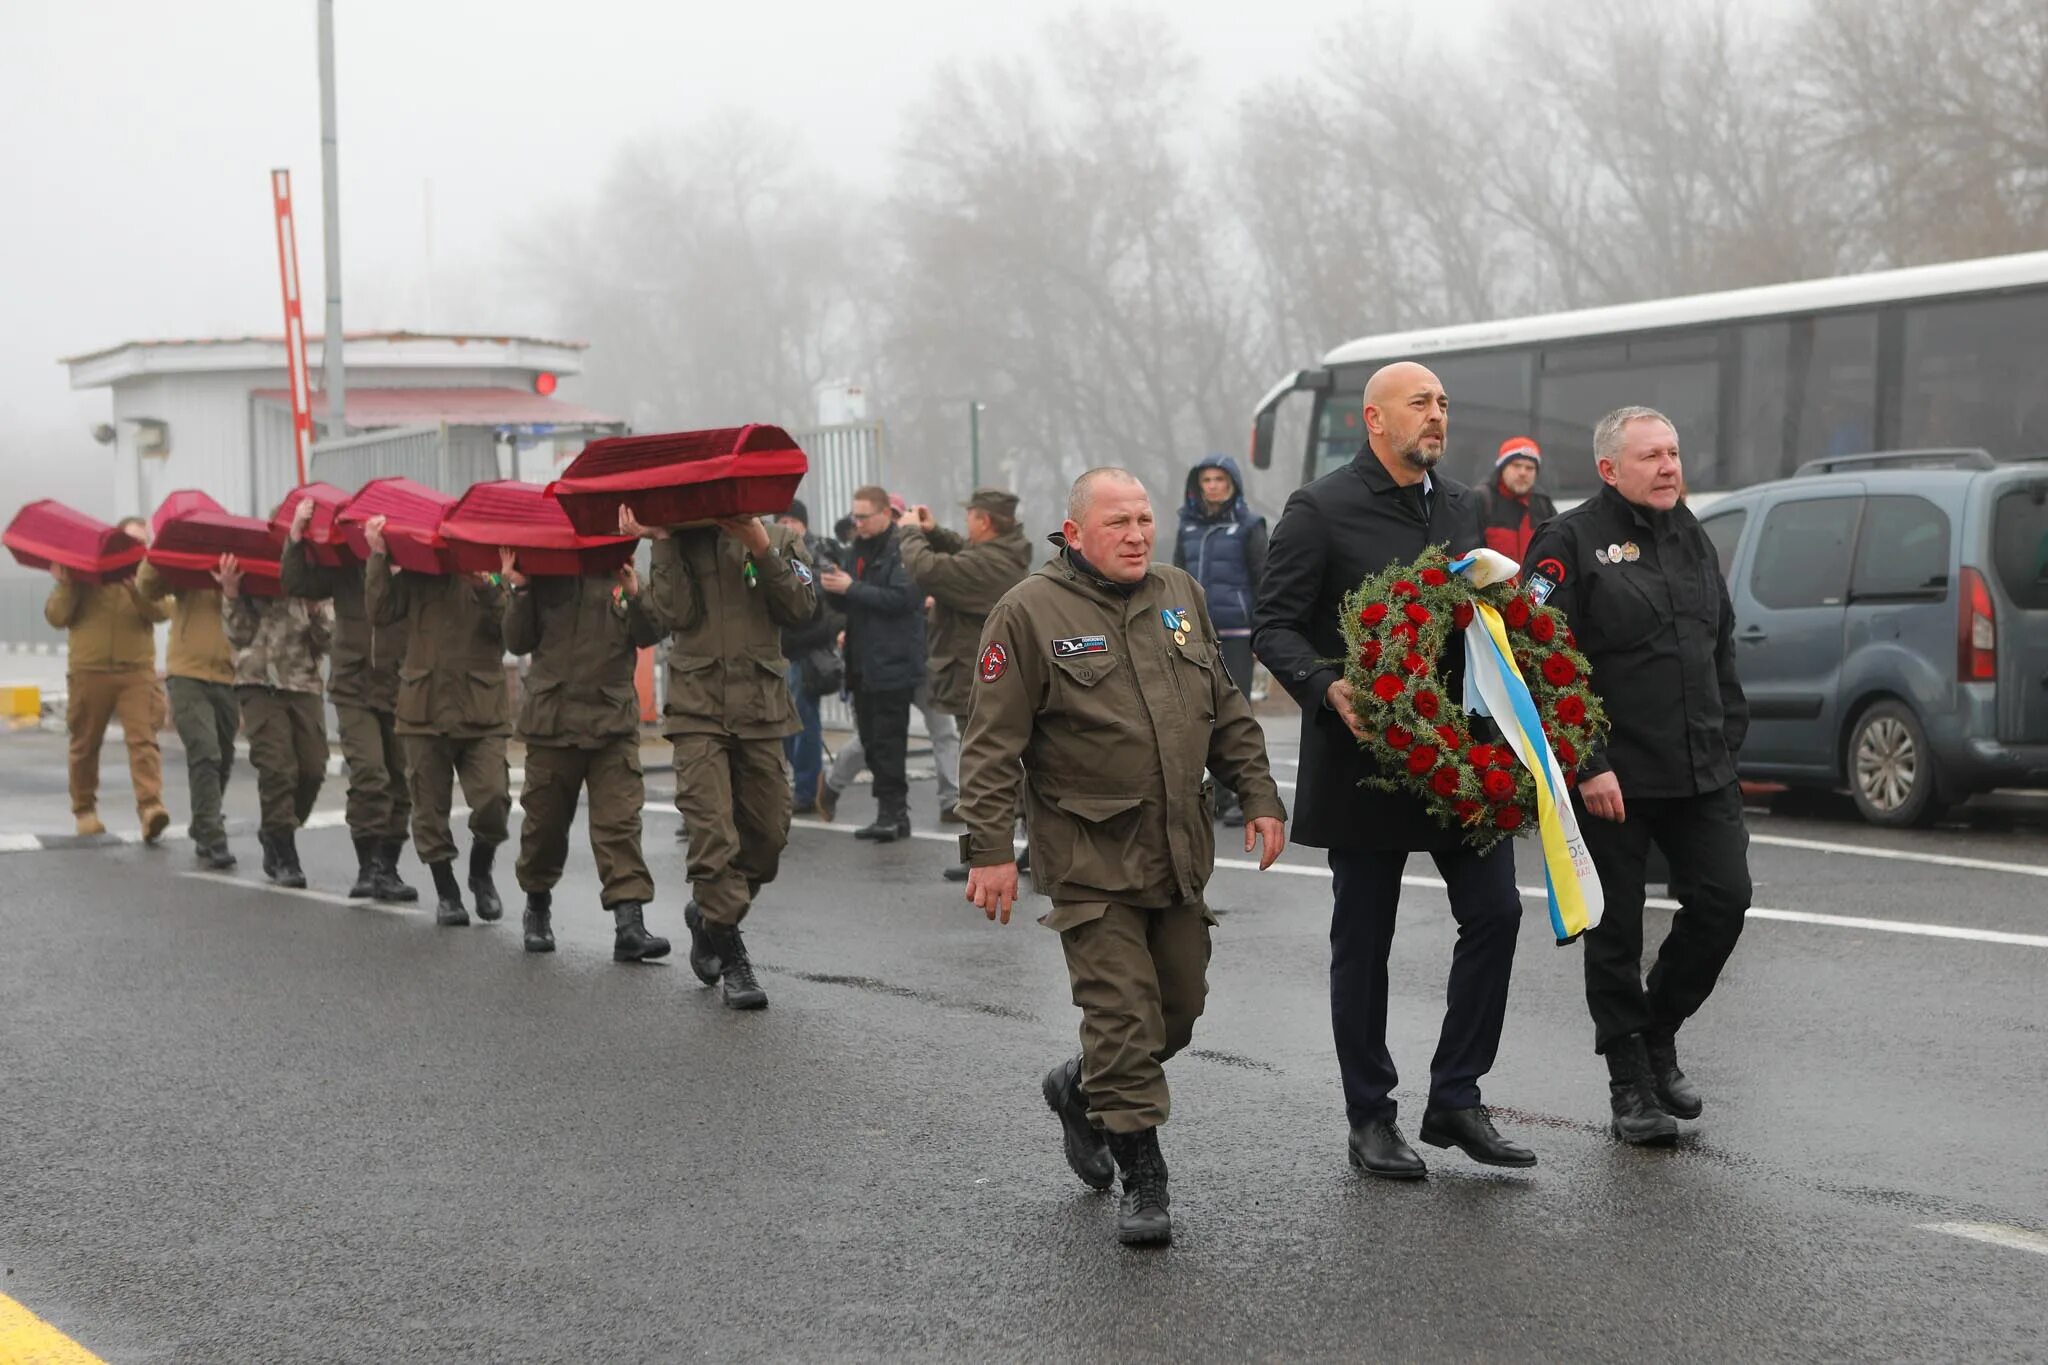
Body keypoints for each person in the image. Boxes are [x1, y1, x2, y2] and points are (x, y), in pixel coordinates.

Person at [959, 467, 1287, 1248]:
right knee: (1120, 1016)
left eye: (1144, 519)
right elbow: (992, 744)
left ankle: (1077, 1087)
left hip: (1177, 848)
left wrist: (1262, 793)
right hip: (1087, 856)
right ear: (1074, 533)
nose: (1138, 535)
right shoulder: (1028, 613)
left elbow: (1226, 705)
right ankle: (1144, 1172)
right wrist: (990, 849)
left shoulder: (1179, 590)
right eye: (1119, 523)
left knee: (1176, 1011)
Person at [1254, 360, 1537, 1180]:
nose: (1437, 416)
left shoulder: (1460, 505)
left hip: (1456, 756)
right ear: (1375, 420)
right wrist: (1323, 683)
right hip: (1365, 756)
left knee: (1496, 915)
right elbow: (1275, 626)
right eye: (1421, 403)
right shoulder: (1319, 508)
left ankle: (1456, 1096)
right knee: (1364, 941)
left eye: (1443, 403)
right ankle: (1369, 1114)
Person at [1521, 406, 1752, 1146]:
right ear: (1609, 468)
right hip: (1613, 778)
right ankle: (1629, 1083)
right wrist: (1586, 761)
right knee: (1614, 929)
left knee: (1723, 901)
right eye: (1651, 456)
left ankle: (1658, 1032)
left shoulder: (1691, 534)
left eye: (1674, 453)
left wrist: (1730, 736)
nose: (1668, 467)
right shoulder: (1567, 542)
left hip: (1701, 767)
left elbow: (1719, 647)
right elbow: (1539, 659)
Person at [630, 506, 817, 1011]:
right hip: (697, 709)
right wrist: (663, 539)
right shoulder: (678, 543)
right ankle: (733, 954)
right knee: (713, 834)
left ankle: (707, 915)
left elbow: (801, 607)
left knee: (769, 835)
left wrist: (761, 546)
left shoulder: (780, 538)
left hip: (761, 707)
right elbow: (675, 616)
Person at [499, 548, 669, 961]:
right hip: (553, 722)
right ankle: (537, 908)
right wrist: (518, 589)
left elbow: (651, 631)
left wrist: (634, 591)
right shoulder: (541, 570)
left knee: (620, 824)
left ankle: (630, 924)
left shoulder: (620, 567)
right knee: (544, 826)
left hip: (611, 721)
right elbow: (516, 640)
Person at [363, 515, 511, 927]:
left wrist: (489, 587)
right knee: (429, 810)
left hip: (481, 710)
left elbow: (514, 631)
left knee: (494, 800)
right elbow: (379, 610)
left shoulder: (493, 577)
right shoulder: (417, 575)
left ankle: (480, 873)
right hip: (424, 710)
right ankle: (447, 892)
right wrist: (378, 556)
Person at [280, 497, 416, 903]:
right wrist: (295, 534)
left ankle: (388, 868)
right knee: (370, 774)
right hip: (354, 686)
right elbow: (297, 582)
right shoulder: (345, 570)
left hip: (398, 687)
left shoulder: (412, 574)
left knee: (399, 778)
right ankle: (367, 867)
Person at [895, 486, 1033, 880]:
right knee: (997, 766)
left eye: (971, 516)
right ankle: (1025, 847)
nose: (967, 523)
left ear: (985, 521)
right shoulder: (999, 555)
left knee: (984, 769)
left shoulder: (990, 564)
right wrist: (934, 531)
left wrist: (910, 532)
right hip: (979, 676)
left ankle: (993, 853)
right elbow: (961, 556)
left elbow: (927, 569)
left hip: (980, 679)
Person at [45, 517, 170, 841]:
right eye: (128, 542)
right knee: (85, 743)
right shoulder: (85, 570)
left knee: (143, 741)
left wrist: (138, 591)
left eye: (140, 543)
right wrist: (67, 582)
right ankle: (84, 810)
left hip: (136, 670)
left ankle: (150, 809)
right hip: (90, 670)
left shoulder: (151, 574)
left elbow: (163, 611)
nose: (134, 550)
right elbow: (57, 617)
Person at [817, 486, 925, 843]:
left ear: (884, 515)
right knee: (871, 740)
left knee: (889, 742)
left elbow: (903, 598)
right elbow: (848, 605)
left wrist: (850, 588)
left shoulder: (901, 549)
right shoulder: (856, 550)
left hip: (893, 662)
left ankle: (893, 814)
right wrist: (832, 588)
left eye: (863, 516)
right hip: (862, 662)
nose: (857, 523)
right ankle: (888, 813)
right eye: (854, 516)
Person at [217, 555, 330, 889]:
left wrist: (315, 612)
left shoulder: (312, 579)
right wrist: (232, 594)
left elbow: (329, 640)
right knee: (277, 768)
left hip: (302, 683)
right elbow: (238, 635)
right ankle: (284, 852)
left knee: (313, 768)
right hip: (258, 685)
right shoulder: (253, 575)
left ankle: (276, 830)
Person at [1173, 455, 1269, 827]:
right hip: (1193, 635)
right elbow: (1176, 580)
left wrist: (1264, 632)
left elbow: (1264, 578)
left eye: (1219, 479)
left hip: (1236, 634)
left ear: (1233, 484)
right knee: (1198, 713)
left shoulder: (1249, 526)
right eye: (1206, 480)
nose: (1212, 485)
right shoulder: (1187, 527)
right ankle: (1214, 792)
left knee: (1236, 713)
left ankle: (1240, 796)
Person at [137, 556, 238, 869]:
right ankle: (212, 833)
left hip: (227, 675)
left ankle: (202, 822)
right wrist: (156, 555)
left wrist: (231, 588)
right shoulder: (185, 568)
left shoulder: (236, 570)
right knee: (205, 752)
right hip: (187, 675)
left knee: (223, 754)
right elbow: (148, 587)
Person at [773, 500, 840, 816]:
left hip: (803, 649)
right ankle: (796, 785)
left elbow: (819, 594)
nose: (787, 525)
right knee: (784, 724)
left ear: (803, 523)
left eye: (792, 520)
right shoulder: (770, 552)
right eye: (781, 519)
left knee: (804, 722)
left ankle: (806, 789)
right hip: (779, 651)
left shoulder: (816, 553)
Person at [1477, 436, 1558, 566]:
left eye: (1529, 468)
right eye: (1516, 465)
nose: (1522, 473)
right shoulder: (1481, 499)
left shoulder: (1543, 503)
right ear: (1502, 468)